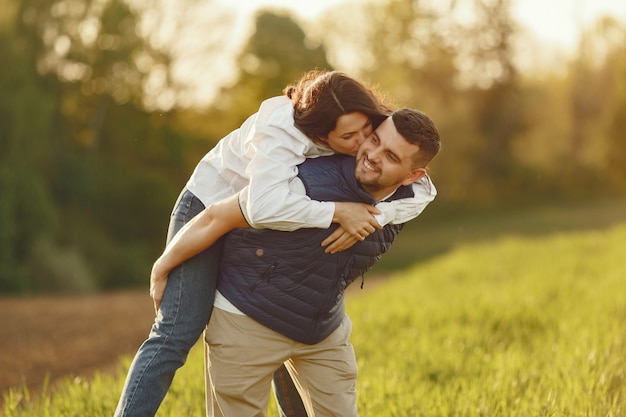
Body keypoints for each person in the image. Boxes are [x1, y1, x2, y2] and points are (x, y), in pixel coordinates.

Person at [113, 71, 437, 417]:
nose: (362, 145)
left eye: (367, 132)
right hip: (211, 205)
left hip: (259, 223)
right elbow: (261, 207)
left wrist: (376, 217)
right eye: (349, 137)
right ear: (319, 134)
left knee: (277, 315)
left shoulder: (378, 129)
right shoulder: (282, 131)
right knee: (177, 332)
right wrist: (338, 211)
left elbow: (423, 190)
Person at [204, 108, 441, 416]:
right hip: (246, 319)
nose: (371, 155)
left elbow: (425, 195)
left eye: (391, 156)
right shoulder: (307, 178)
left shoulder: (407, 200)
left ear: (413, 176)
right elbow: (219, 216)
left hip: (322, 332)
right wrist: (164, 267)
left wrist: (377, 217)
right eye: (374, 140)